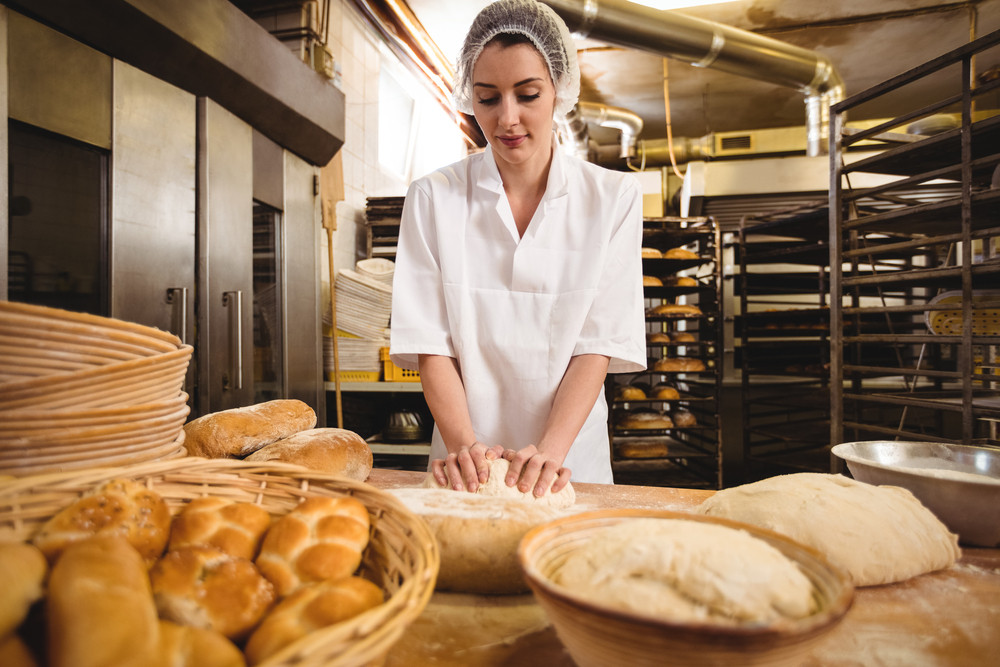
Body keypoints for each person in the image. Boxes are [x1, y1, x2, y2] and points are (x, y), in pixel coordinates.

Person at [389, 0, 645, 497]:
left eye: (527, 94)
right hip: (463, 467)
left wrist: (551, 450)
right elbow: (431, 343)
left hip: (569, 459)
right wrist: (465, 445)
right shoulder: (433, 198)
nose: (508, 118)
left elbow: (596, 345)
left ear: (559, 92)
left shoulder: (612, 199)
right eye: (487, 98)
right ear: (470, 98)